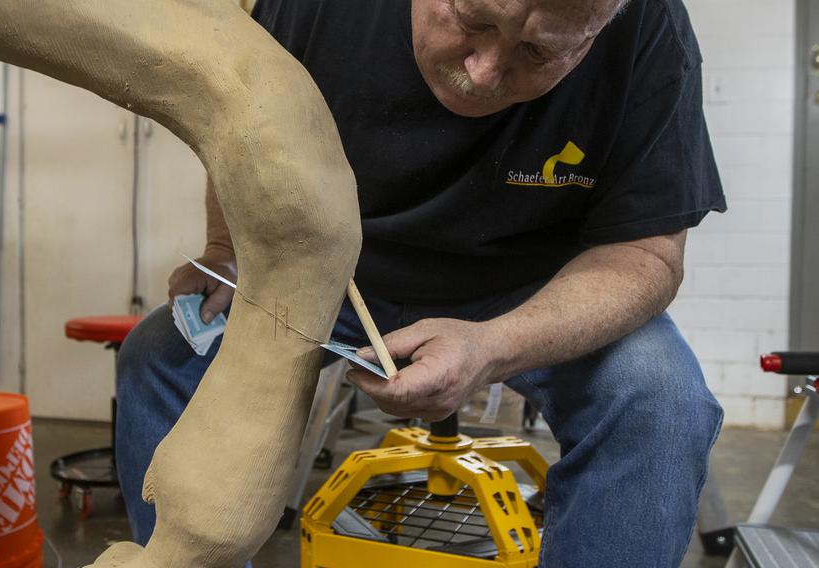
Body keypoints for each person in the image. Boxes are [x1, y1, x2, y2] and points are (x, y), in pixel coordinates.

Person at [116, 0, 726, 565]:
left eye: (540, 53)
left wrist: (493, 346)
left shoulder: (650, 27)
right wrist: (226, 251)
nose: (484, 73)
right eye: (473, 17)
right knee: (161, 358)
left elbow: (645, 254)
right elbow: (236, 127)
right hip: (333, 272)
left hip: (537, 288)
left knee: (660, 404)